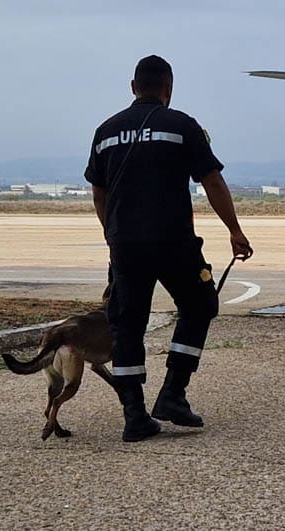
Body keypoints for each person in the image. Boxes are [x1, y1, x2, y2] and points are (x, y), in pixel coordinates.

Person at [85, 54, 252, 441]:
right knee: (200, 305)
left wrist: (112, 237)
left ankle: (134, 415)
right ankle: (173, 394)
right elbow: (212, 181)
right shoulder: (181, 126)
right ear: (168, 88)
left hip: (125, 245)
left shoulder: (105, 131)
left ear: (132, 87)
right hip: (172, 240)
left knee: (127, 324)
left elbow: (99, 192)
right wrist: (235, 230)